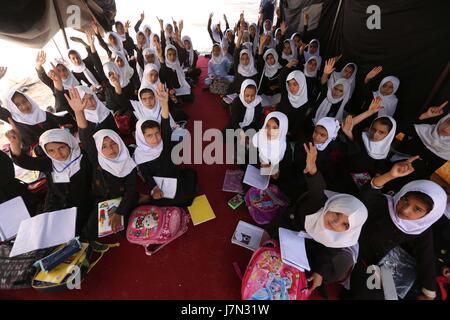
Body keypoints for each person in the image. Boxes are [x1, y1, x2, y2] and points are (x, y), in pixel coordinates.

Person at [266, 142, 368, 292]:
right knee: (268, 245)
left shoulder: (340, 238)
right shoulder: (317, 205)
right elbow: (317, 190)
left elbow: (328, 252)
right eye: (337, 213)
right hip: (290, 226)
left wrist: (320, 273)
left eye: (345, 224)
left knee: (314, 272)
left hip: (306, 248)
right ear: (331, 206)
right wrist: (312, 170)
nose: (335, 222)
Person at [350, 159, 447, 300]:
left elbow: (425, 257)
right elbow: (368, 193)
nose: (406, 210)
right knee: (366, 294)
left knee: (389, 296)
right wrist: (390, 175)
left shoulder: (420, 229)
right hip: (354, 251)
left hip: (381, 266)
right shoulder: (385, 205)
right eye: (405, 200)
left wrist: (429, 293)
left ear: (428, 216)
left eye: (417, 209)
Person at [65, 87, 139, 240]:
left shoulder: (128, 164)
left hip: (123, 196)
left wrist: (119, 212)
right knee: (89, 232)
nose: (110, 150)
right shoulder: (98, 159)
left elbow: (131, 189)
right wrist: (79, 112)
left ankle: (137, 199)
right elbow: (87, 139)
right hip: (104, 198)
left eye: (92, 98)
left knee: (123, 228)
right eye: (104, 147)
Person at [6, 123, 94, 236]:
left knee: (79, 233)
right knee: (47, 233)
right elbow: (23, 161)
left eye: (61, 148)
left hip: (82, 204)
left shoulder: (84, 160)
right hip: (55, 204)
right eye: (51, 151)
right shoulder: (49, 162)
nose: (58, 154)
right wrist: (15, 144)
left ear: (70, 144)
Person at [134, 84, 197, 207]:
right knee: (169, 201)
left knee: (188, 189)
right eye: (149, 136)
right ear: (142, 137)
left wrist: (164, 103)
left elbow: (165, 124)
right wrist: (154, 188)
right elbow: (146, 176)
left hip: (172, 175)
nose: (155, 139)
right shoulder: (140, 155)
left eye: (157, 133)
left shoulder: (164, 142)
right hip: (159, 183)